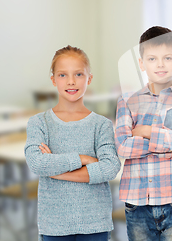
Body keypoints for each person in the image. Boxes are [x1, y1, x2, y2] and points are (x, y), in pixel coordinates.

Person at [25, 45, 121, 241]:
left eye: (78, 74)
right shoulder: (39, 122)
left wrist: (55, 171)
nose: (71, 81)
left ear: (89, 78)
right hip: (54, 224)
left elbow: (110, 168)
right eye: (62, 75)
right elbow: (37, 163)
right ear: (53, 79)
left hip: (95, 222)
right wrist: (83, 158)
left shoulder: (102, 124)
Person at [114, 26, 172, 241]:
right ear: (142, 63)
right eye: (152, 59)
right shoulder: (127, 101)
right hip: (137, 204)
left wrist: (146, 132)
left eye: (167, 58)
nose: (160, 64)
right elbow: (123, 147)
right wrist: (170, 143)